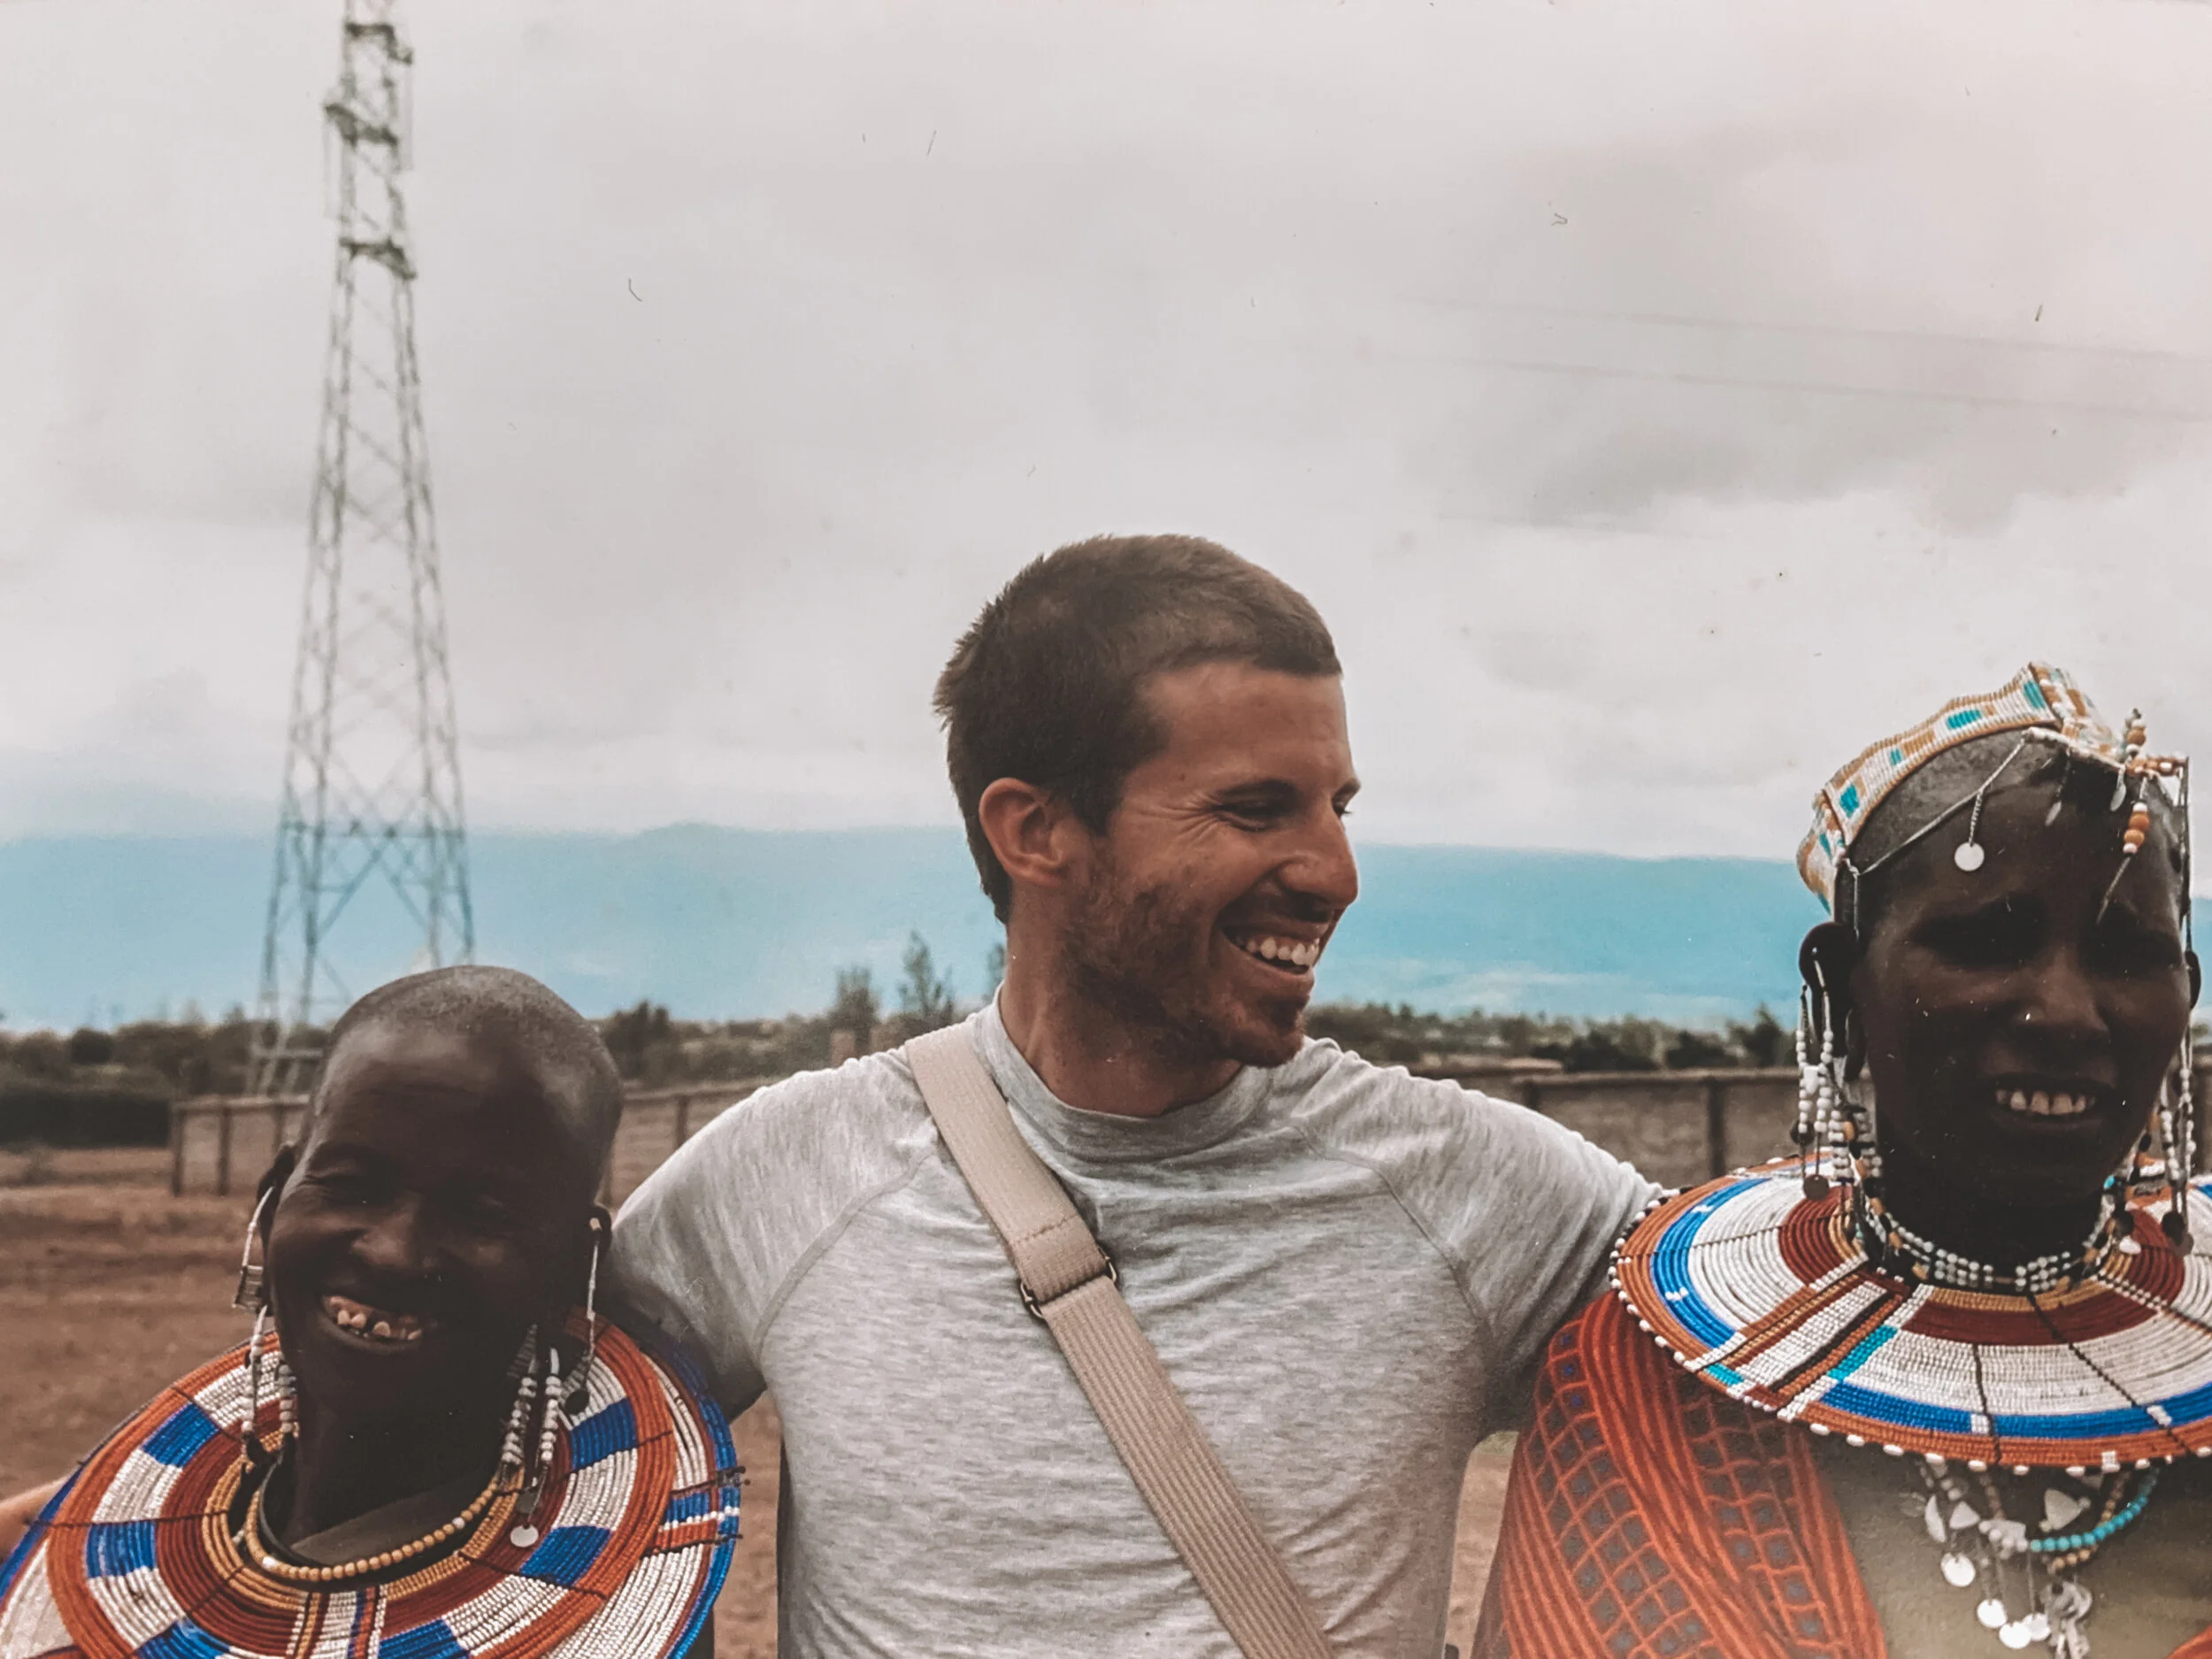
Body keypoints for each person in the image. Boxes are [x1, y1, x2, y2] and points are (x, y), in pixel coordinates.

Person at [611, 534, 1658, 1656]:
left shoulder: (1481, 1194)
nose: (1334, 873)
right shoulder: (785, 1177)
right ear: (1036, 831)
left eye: (1335, 806)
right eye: (1257, 810)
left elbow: (1808, 1355)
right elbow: (519, 1480)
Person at [1475, 664, 2212, 1659]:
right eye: (1987, 941)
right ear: (1839, 988)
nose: (2068, 1014)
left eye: (2127, 953)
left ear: (2188, 985)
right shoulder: (1649, 1403)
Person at [0, 966, 740, 1659]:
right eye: (352, 1184)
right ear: (272, 1199)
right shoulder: (88, 1543)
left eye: (483, 1213)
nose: (394, 1251)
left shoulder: (612, 1605)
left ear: (572, 1266)